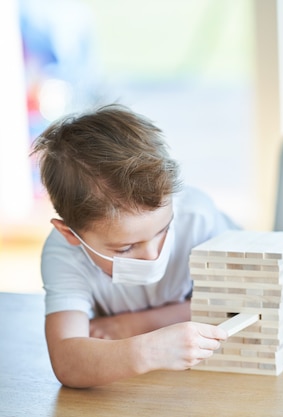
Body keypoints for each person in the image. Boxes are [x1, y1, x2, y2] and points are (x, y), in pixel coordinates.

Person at [31, 104, 239, 388]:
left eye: (164, 230)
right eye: (125, 248)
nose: (153, 254)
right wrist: (147, 351)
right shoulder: (65, 254)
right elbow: (67, 361)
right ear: (70, 234)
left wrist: (132, 326)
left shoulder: (198, 219)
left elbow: (238, 305)